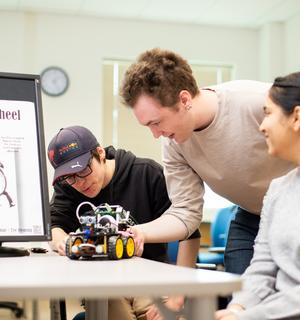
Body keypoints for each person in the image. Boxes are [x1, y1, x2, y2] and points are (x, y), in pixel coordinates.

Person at [119, 48, 295, 275]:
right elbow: (186, 212)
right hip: (253, 215)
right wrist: (141, 232)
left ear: (184, 99)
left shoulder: (257, 102)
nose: (155, 134)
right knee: (240, 297)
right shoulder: (173, 143)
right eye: (148, 126)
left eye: (157, 122)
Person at [47, 125, 200, 320]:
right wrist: (62, 241)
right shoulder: (68, 186)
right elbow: (53, 225)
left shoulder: (147, 174)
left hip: (152, 281)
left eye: (83, 171)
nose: (80, 183)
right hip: (103, 285)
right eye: (69, 178)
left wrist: (177, 297)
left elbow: (190, 233)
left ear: (100, 153)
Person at [216, 70, 300, 320]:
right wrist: (236, 309)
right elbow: (262, 267)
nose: (262, 126)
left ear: (296, 117)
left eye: (268, 113)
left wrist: (249, 317)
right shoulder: (278, 189)